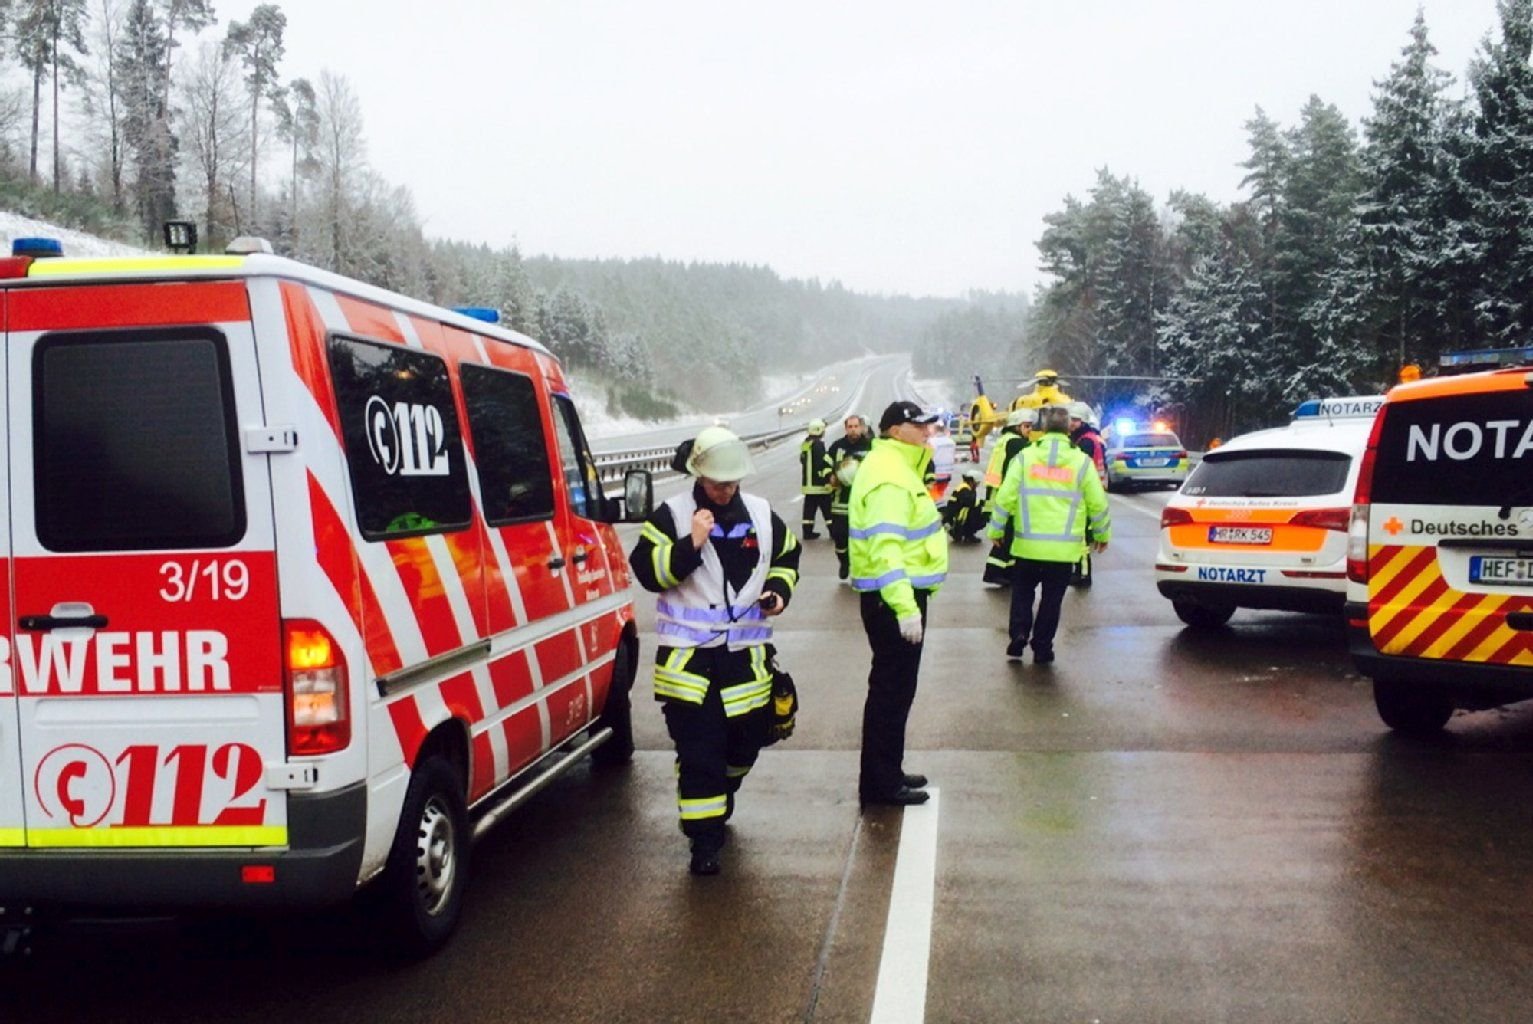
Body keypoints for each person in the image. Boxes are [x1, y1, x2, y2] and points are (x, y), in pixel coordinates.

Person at [628, 426, 802, 876]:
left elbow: (786, 557)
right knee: (700, 753)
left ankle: (720, 798)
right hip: (690, 666)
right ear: (698, 475)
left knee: (745, 745)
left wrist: (778, 592)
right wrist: (692, 544)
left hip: (746, 664)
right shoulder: (670, 515)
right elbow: (648, 573)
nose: (724, 491)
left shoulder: (763, 515)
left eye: (731, 483)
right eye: (716, 483)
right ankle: (704, 840)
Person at [849, 400, 948, 807]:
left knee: (895, 691)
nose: (927, 432)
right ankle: (880, 783)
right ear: (894, 430)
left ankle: (887, 769)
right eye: (918, 425)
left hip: (896, 596)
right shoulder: (890, 476)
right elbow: (886, 550)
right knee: (891, 692)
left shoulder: (897, 467)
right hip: (894, 600)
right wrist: (905, 608)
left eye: (928, 425)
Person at [988, 405, 1111, 665]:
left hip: (1027, 545)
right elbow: (1097, 502)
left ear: (1042, 429)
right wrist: (1101, 534)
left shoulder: (1025, 457)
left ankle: (1019, 633)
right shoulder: (1081, 462)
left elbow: (1005, 497)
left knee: (1022, 594)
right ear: (1068, 429)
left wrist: (996, 529)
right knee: (1052, 600)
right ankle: (1042, 647)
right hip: (1063, 550)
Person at [981, 408, 1034, 586]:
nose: (1030, 431)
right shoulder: (1017, 443)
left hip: (997, 492)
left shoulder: (1004, 440)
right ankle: (994, 571)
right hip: (1007, 495)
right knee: (1007, 536)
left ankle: (1007, 572)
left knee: (1007, 534)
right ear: (1016, 427)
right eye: (1026, 426)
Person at [827, 413, 873, 581]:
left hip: (864, 501)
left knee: (863, 537)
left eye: (856, 426)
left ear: (861, 428)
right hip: (841, 500)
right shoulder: (837, 447)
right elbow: (824, 465)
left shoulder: (870, 447)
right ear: (845, 428)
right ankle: (844, 562)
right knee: (839, 536)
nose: (853, 430)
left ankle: (861, 568)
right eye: (850, 427)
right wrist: (830, 477)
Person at [1067, 401, 1108, 588]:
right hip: (1090, 492)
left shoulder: (1085, 441)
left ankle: (1083, 574)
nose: (1072, 423)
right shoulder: (1090, 438)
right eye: (1070, 420)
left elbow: (1080, 469)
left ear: (1083, 421)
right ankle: (1080, 571)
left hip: (1085, 493)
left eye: (1076, 420)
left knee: (1081, 537)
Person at [799, 418, 833, 538]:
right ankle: (834, 532)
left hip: (808, 486)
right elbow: (822, 463)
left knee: (809, 511)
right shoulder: (818, 445)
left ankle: (807, 532)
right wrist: (827, 478)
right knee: (828, 510)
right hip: (819, 485)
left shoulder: (806, 443)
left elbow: (802, 460)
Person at [942, 468, 986, 543]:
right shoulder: (964, 489)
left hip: (955, 517)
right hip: (957, 518)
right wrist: (983, 504)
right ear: (972, 481)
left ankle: (962, 533)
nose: (978, 485)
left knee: (975, 510)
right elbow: (970, 503)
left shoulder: (966, 487)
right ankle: (967, 534)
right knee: (979, 513)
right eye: (977, 482)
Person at [927, 420, 957, 503]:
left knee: (932, 496)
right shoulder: (951, 442)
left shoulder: (931, 442)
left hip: (935, 474)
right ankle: (938, 505)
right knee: (940, 494)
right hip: (947, 474)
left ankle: (936, 509)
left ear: (934, 430)